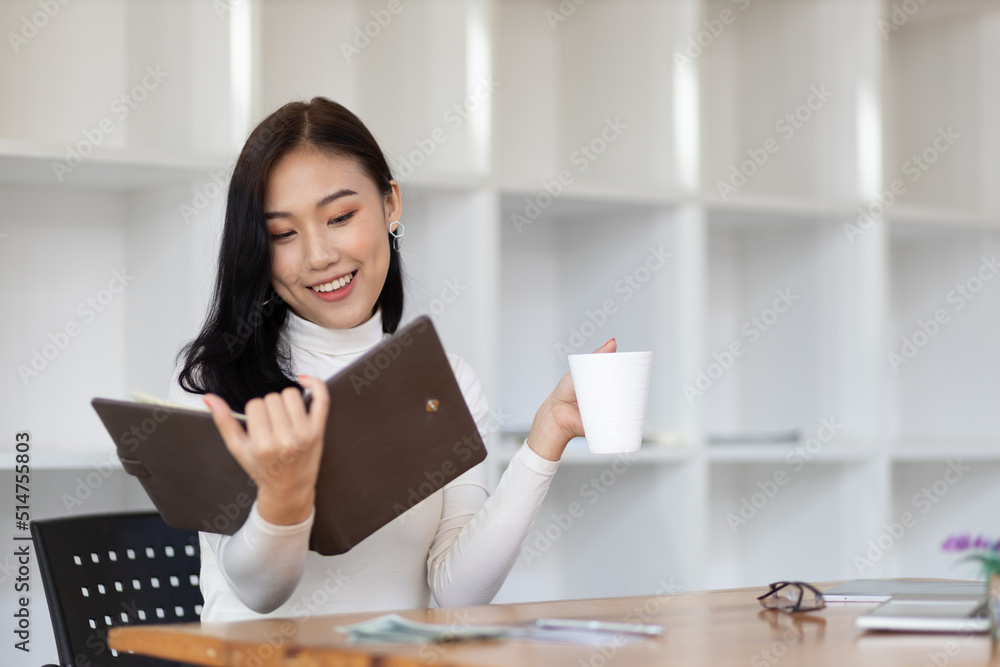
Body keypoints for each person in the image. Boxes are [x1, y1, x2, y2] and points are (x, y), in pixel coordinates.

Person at [167, 97, 616, 622]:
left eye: (339, 216)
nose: (318, 256)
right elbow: (259, 591)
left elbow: (458, 593)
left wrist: (547, 438)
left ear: (391, 205)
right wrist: (283, 496)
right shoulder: (218, 385)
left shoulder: (442, 381)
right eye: (283, 234)